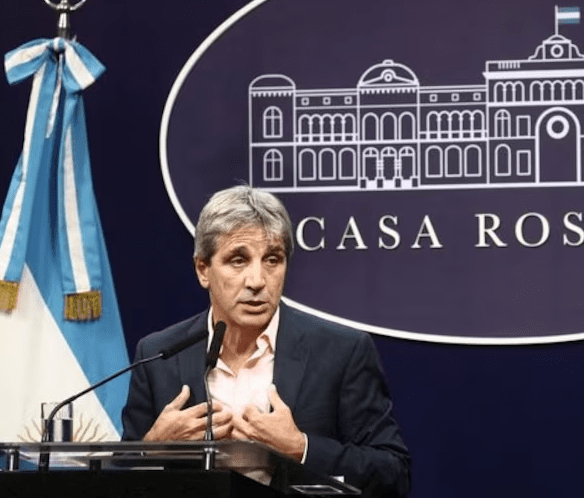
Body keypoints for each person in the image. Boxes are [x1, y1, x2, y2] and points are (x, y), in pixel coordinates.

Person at [121, 185, 410, 497]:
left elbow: (393, 473)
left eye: (272, 259)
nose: (257, 281)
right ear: (203, 269)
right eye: (238, 260)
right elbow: (114, 479)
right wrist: (152, 449)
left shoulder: (341, 351)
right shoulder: (158, 355)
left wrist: (301, 448)